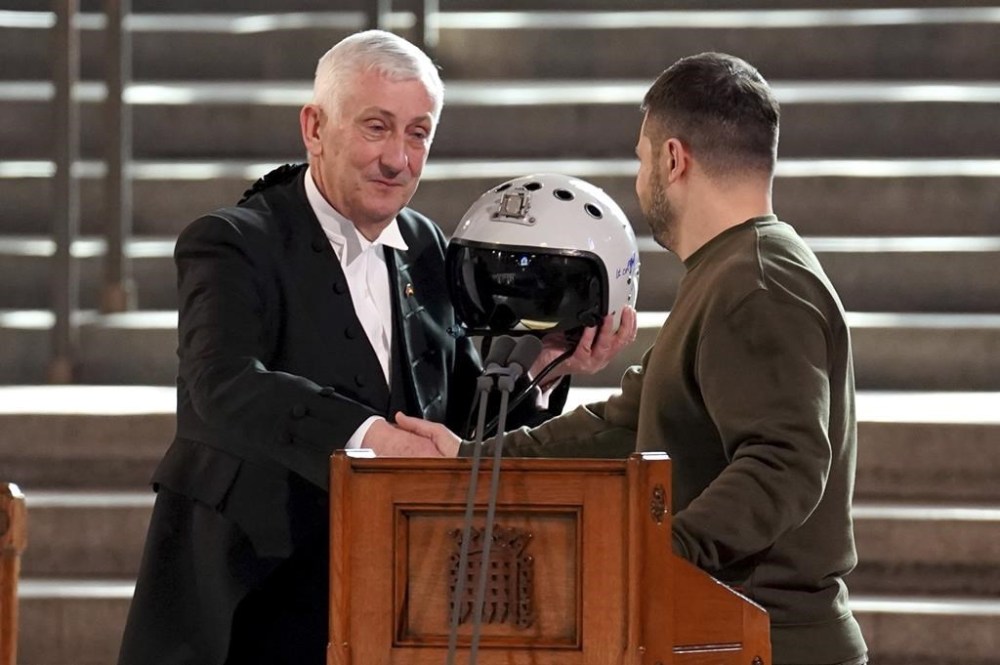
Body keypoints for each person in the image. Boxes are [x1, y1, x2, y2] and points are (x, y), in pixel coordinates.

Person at [117, 30, 636, 665]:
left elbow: (460, 422)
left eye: (418, 134)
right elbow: (222, 384)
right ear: (314, 128)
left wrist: (548, 365)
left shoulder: (427, 245)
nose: (398, 158)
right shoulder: (231, 242)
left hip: (397, 600)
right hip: (248, 603)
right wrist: (369, 437)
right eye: (376, 127)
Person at [399, 52, 868, 665]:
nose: (642, 180)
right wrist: (472, 459)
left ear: (674, 159)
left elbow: (786, 462)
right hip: (728, 632)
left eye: (643, 160)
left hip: (766, 639)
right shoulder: (733, 271)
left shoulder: (755, 282)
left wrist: (658, 552)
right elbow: (621, 424)